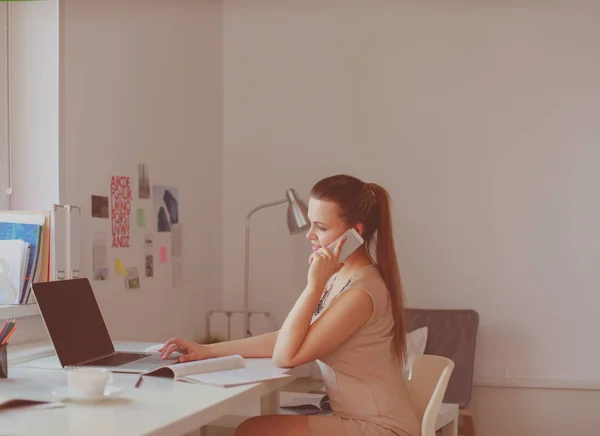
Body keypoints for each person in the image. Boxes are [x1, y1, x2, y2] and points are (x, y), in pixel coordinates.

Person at [159, 174, 420, 436]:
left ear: (356, 232)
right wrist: (207, 350)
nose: (309, 235)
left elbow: (287, 356)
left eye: (320, 227)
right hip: (356, 418)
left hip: (381, 428)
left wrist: (313, 285)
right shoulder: (342, 277)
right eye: (310, 224)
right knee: (253, 429)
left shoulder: (361, 292)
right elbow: (289, 339)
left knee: (252, 431)